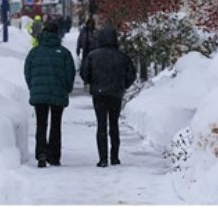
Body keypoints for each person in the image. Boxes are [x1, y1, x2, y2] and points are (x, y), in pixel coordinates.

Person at [80, 26, 137, 168]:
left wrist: (91, 82)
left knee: (101, 125)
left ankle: (103, 158)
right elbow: (131, 74)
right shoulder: (122, 56)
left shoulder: (93, 55)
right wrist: (123, 85)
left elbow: (84, 73)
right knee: (114, 124)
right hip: (116, 94)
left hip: (99, 94)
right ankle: (115, 157)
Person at [23, 21, 76, 168]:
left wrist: (33, 87)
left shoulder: (34, 52)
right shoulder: (64, 53)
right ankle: (54, 155)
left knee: (41, 124)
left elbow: (28, 72)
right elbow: (70, 74)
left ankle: (41, 153)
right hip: (58, 92)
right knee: (55, 124)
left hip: (39, 94)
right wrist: (66, 89)